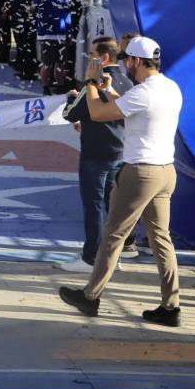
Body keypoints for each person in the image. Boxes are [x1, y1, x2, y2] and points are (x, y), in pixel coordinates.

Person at [59, 36, 184, 327]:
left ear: (137, 61)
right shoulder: (170, 87)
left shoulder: (143, 92)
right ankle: (171, 306)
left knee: (113, 235)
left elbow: (99, 113)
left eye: (129, 60)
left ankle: (90, 297)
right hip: (166, 171)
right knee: (161, 239)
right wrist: (108, 89)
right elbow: (128, 106)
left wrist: (92, 83)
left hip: (141, 173)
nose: (126, 64)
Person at [58, 37, 135, 273]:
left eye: (92, 54)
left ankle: (91, 257)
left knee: (93, 206)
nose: (88, 58)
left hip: (95, 152)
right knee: (113, 207)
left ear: (103, 57)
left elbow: (70, 114)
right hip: (120, 151)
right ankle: (113, 256)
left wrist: (72, 96)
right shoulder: (127, 83)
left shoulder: (94, 82)